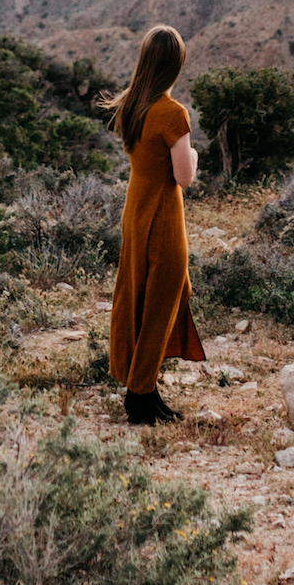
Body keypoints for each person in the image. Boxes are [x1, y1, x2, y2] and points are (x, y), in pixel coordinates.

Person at [104, 23, 204, 425]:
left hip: (135, 211)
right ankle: (140, 397)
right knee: (162, 301)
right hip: (162, 216)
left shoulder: (131, 104)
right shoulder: (172, 113)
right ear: (174, 65)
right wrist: (193, 154)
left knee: (139, 298)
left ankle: (145, 390)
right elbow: (184, 176)